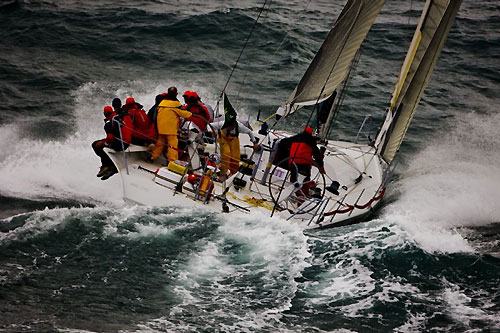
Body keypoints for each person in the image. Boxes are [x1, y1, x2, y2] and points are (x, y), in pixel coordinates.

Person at [149, 87, 192, 163]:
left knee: (160, 144)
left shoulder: (162, 102)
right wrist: (191, 114)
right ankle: (172, 161)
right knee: (172, 146)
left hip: (161, 128)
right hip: (170, 129)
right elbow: (185, 114)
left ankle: (152, 157)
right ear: (176, 94)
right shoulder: (175, 104)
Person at [91, 104, 133, 180]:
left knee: (96, 145)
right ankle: (107, 166)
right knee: (102, 143)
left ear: (104, 114)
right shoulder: (119, 116)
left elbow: (110, 138)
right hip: (128, 141)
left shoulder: (108, 124)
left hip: (121, 144)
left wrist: (104, 143)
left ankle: (108, 166)